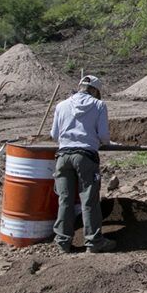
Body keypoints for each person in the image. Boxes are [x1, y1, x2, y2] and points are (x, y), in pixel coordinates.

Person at [50, 75, 116, 254]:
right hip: (85, 156)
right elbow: (103, 136)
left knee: (65, 200)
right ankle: (94, 242)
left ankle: (63, 242)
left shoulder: (61, 105)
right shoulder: (99, 105)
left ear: (80, 87)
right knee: (89, 200)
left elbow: (55, 135)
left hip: (63, 157)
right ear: (95, 90)